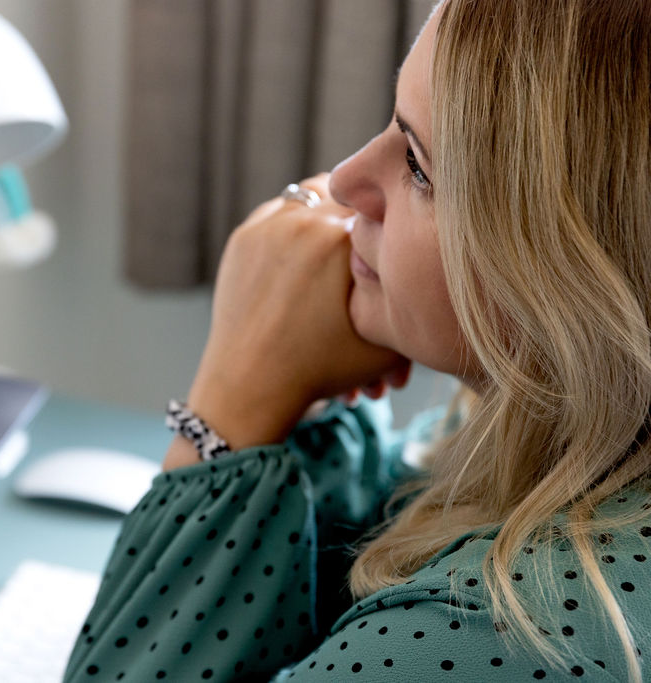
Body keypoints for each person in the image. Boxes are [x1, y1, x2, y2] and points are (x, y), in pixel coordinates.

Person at [65, 0, 651, 681]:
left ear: (574, 272)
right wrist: (300, 382)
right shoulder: (559, 444)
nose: (345, 180)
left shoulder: (486, 633)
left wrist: (234, 396)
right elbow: (378, 529)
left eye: (419, 166)